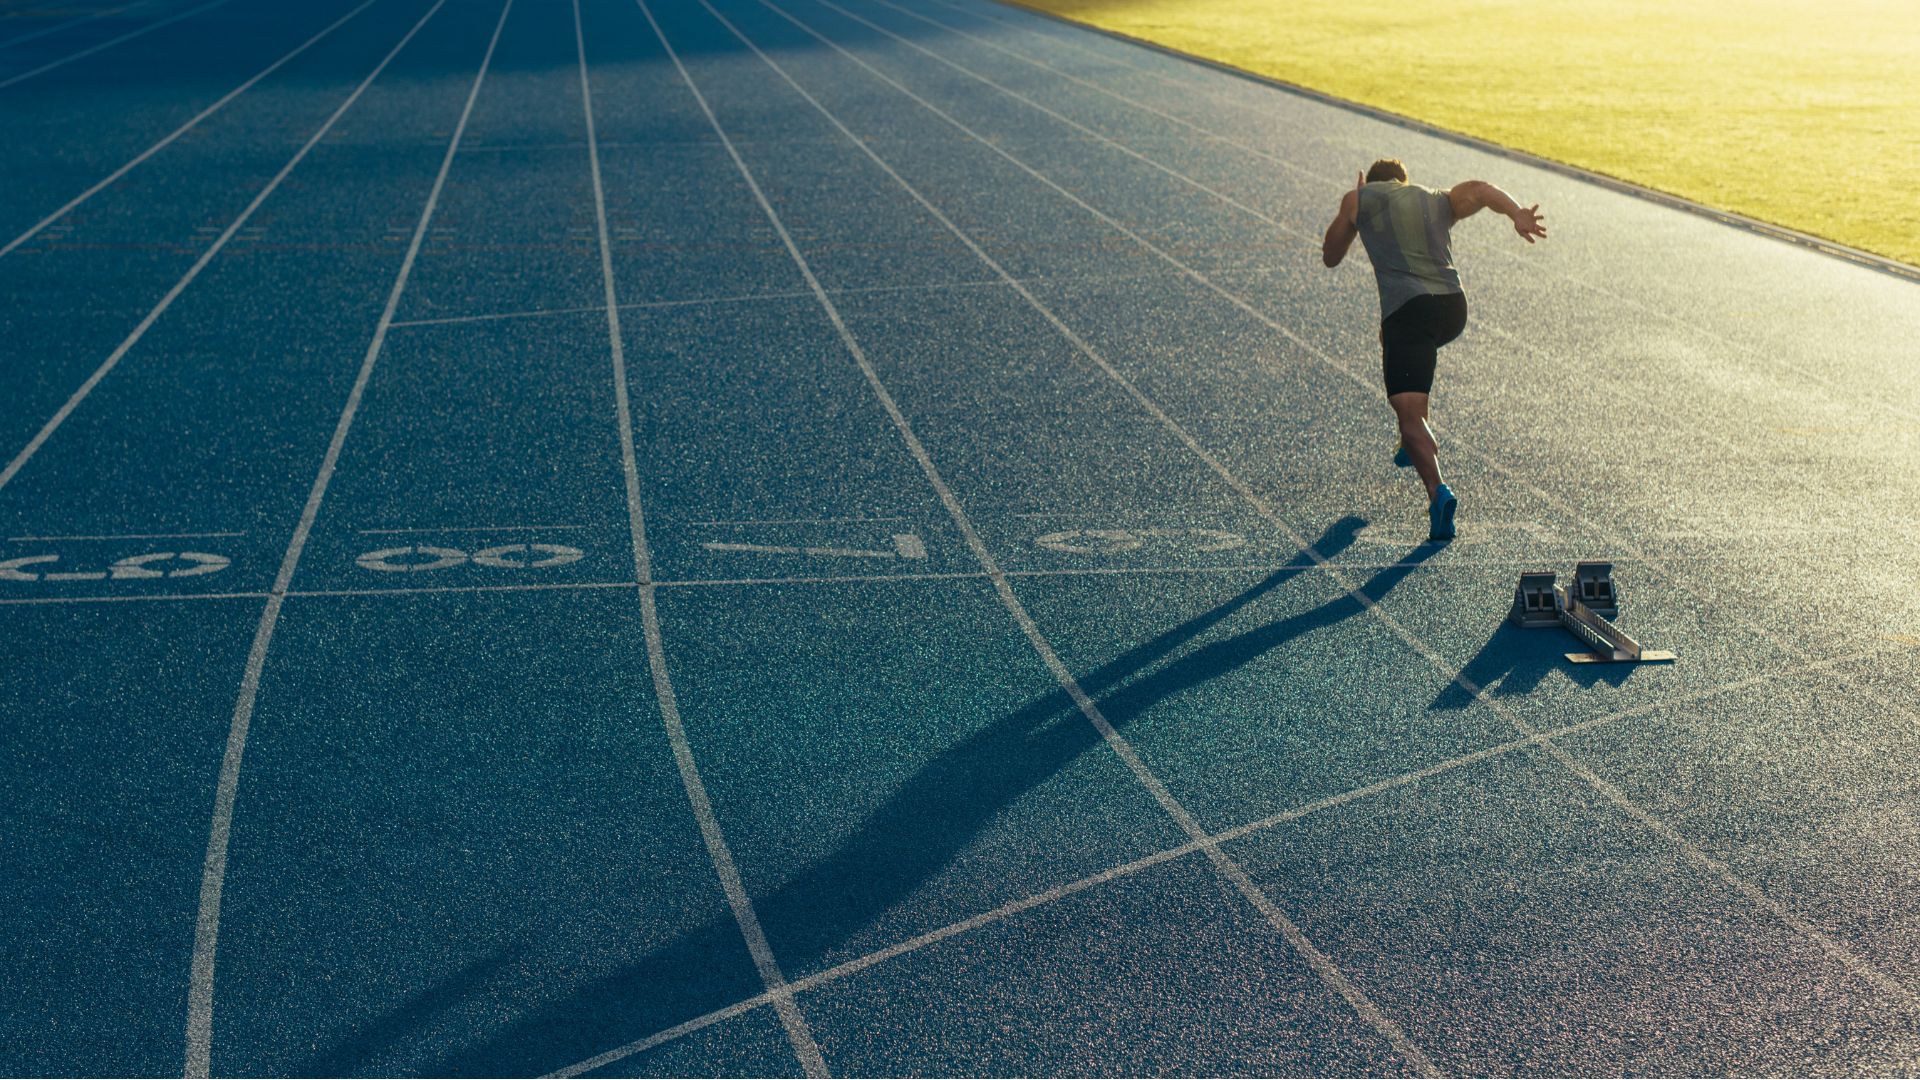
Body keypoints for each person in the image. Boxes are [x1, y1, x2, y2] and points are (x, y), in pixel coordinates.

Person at [1320, 158, 1547, 540]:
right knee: (1395, 346)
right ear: (1403, 181)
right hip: (1452, 309)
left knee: (1410, 415)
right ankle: (1410, 440)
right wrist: (1517, 213)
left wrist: (1355, 207)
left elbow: (1330, 255)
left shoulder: (1360, 198)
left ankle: (1437, 489)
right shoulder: (1435, 197)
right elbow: (1480, 188)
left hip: (1409, 313)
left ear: (1372, 183)